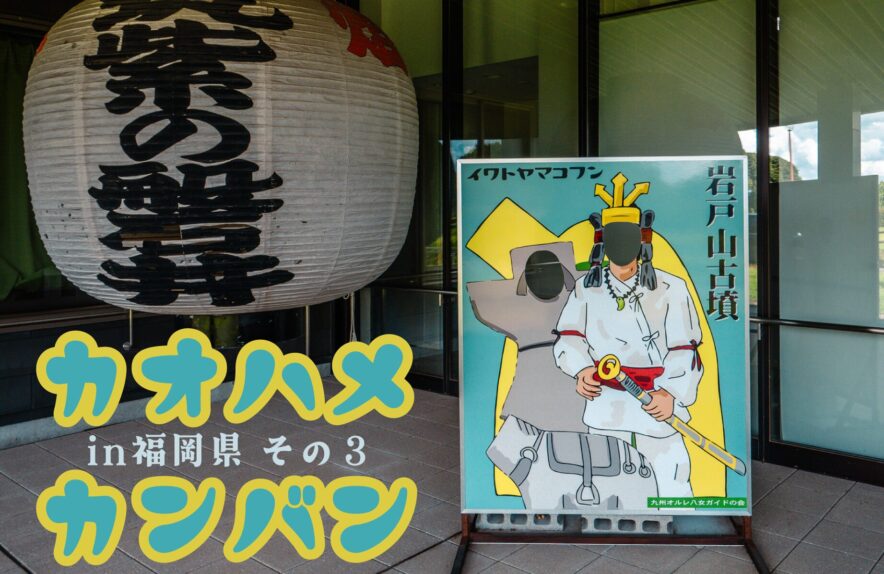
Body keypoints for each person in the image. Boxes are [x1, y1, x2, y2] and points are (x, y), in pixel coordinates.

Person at [553, 172, 703, 498]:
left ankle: (676, 520)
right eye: (614, 237)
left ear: (642, 240)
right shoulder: (586, 288)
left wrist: (671, 393)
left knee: (671, 478)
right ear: (602, 242)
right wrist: (582, 370)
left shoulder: (671, 287)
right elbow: (569, 337)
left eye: (628, 237)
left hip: (656, 399)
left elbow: (685, 348)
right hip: (606, 401)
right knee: (605, 478)